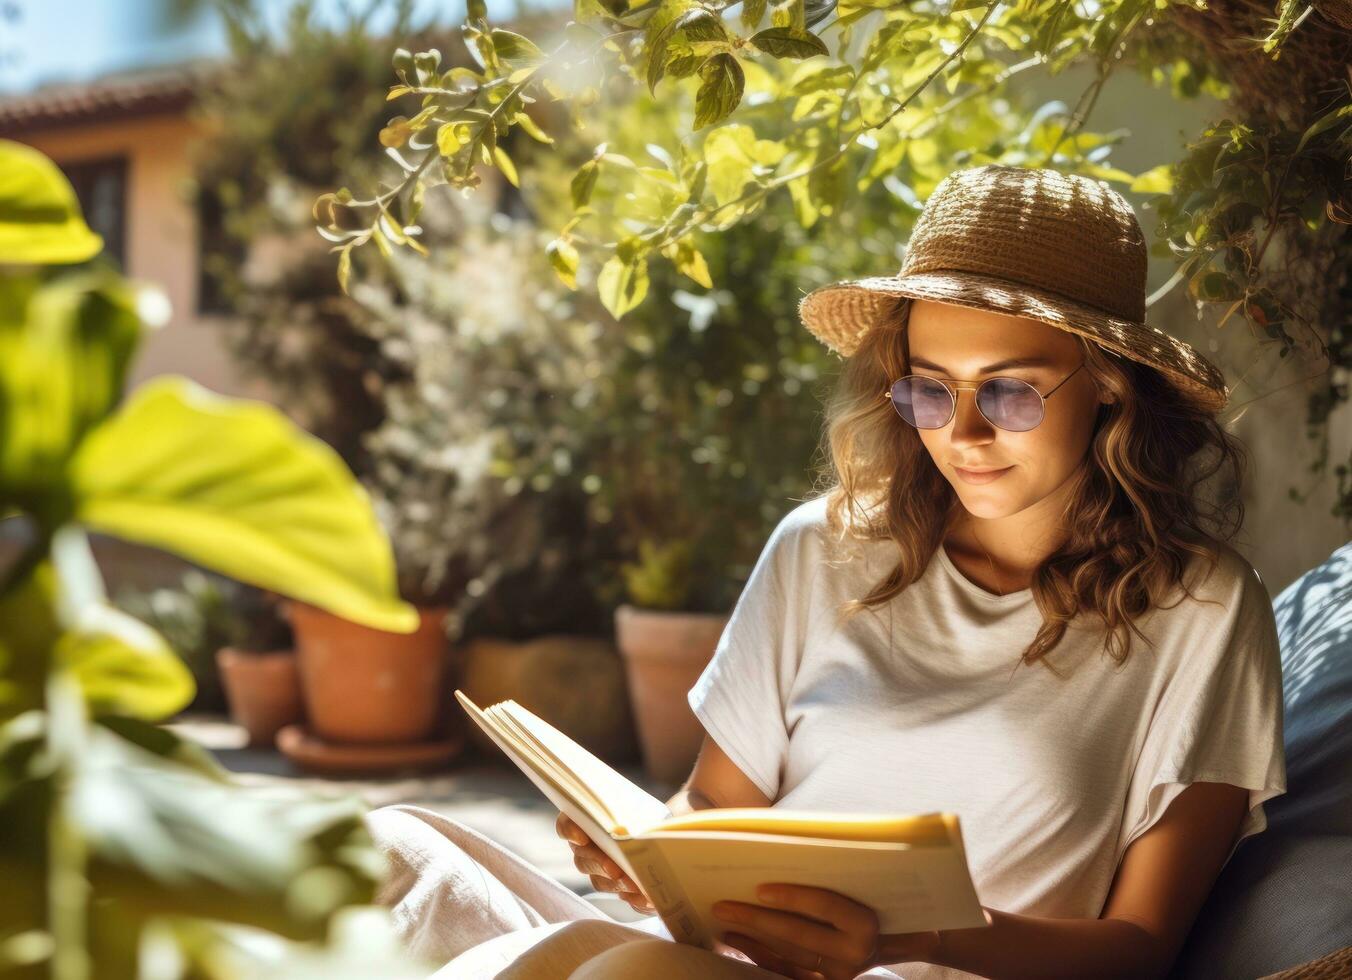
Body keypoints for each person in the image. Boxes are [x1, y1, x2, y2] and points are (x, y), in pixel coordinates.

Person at [364, 164, 1288, 979]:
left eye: (1007, 390)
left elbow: (1141, 947)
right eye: (930, 389)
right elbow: (717, 806)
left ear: (1111, 385)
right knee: (385, 851)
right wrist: (642, 855)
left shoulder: (1201, 608)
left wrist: (909, 939)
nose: (960, 435)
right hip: (706, 961)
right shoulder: (822, 547)